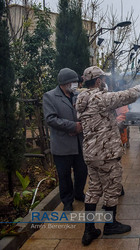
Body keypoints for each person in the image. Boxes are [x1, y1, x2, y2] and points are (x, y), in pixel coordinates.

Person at [76, 66, 140, 246]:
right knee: (112, 188)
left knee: (93, 190)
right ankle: (110, 225)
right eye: (103, 80)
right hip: (106, 153)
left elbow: (99, 120)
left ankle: (88, 230)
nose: (105, 82)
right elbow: (126, 96)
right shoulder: (100, 98)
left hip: (91, 153)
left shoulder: (82, 98)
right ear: (98, 81)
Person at [43, 68, 87, 211]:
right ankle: (67, 201)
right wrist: (72, 127)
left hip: (79, 143)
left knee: (82, 171)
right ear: (65, 83)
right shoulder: (50, 96)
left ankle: (79, 193)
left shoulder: (77, 95)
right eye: (73, 82)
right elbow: (51, 119)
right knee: (64, 175)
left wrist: (82, 125)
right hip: (62, 144)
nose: (76, 84)